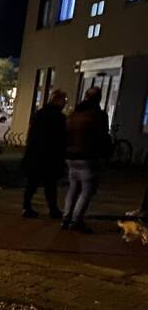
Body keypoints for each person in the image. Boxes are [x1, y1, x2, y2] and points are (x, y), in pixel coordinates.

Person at [62, 86, 111, 233]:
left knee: (73, 188)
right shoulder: (99, 115)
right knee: (86, 191)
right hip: (88, 157)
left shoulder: (74, 114)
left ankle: (66, 217)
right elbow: (103, 137)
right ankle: (76, 221)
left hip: (71, 156)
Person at [22, 89, 67, 218]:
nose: (65, 103)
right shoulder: (59, 117)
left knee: (32, 183)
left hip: (35, 154)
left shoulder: (39, 114)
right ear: (58, 100)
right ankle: (53, 209)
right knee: (50, 185)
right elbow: (61, 139)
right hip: (50, 156)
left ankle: (26, 207)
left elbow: (31, 134)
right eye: (64, 100)